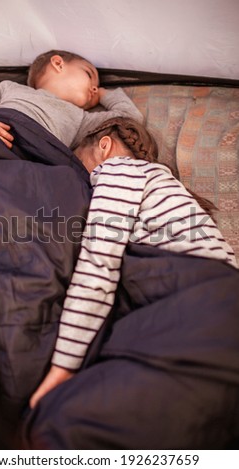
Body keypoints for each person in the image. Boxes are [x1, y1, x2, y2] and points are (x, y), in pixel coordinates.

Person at [29, 116, 238, 408]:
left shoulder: (120, 169)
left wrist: (63, 368)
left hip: (201, 300)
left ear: (104, 146)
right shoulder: (159, 184)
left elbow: (100, 261)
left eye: (78, 164)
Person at [0, 50, 143, 150]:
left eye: (97, 86)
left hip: (32, 160)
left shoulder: (81, 119)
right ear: (58, 64)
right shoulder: (8, 87)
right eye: (89, 74)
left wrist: (105, 94)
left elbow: (130, 118)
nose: (94, 88)